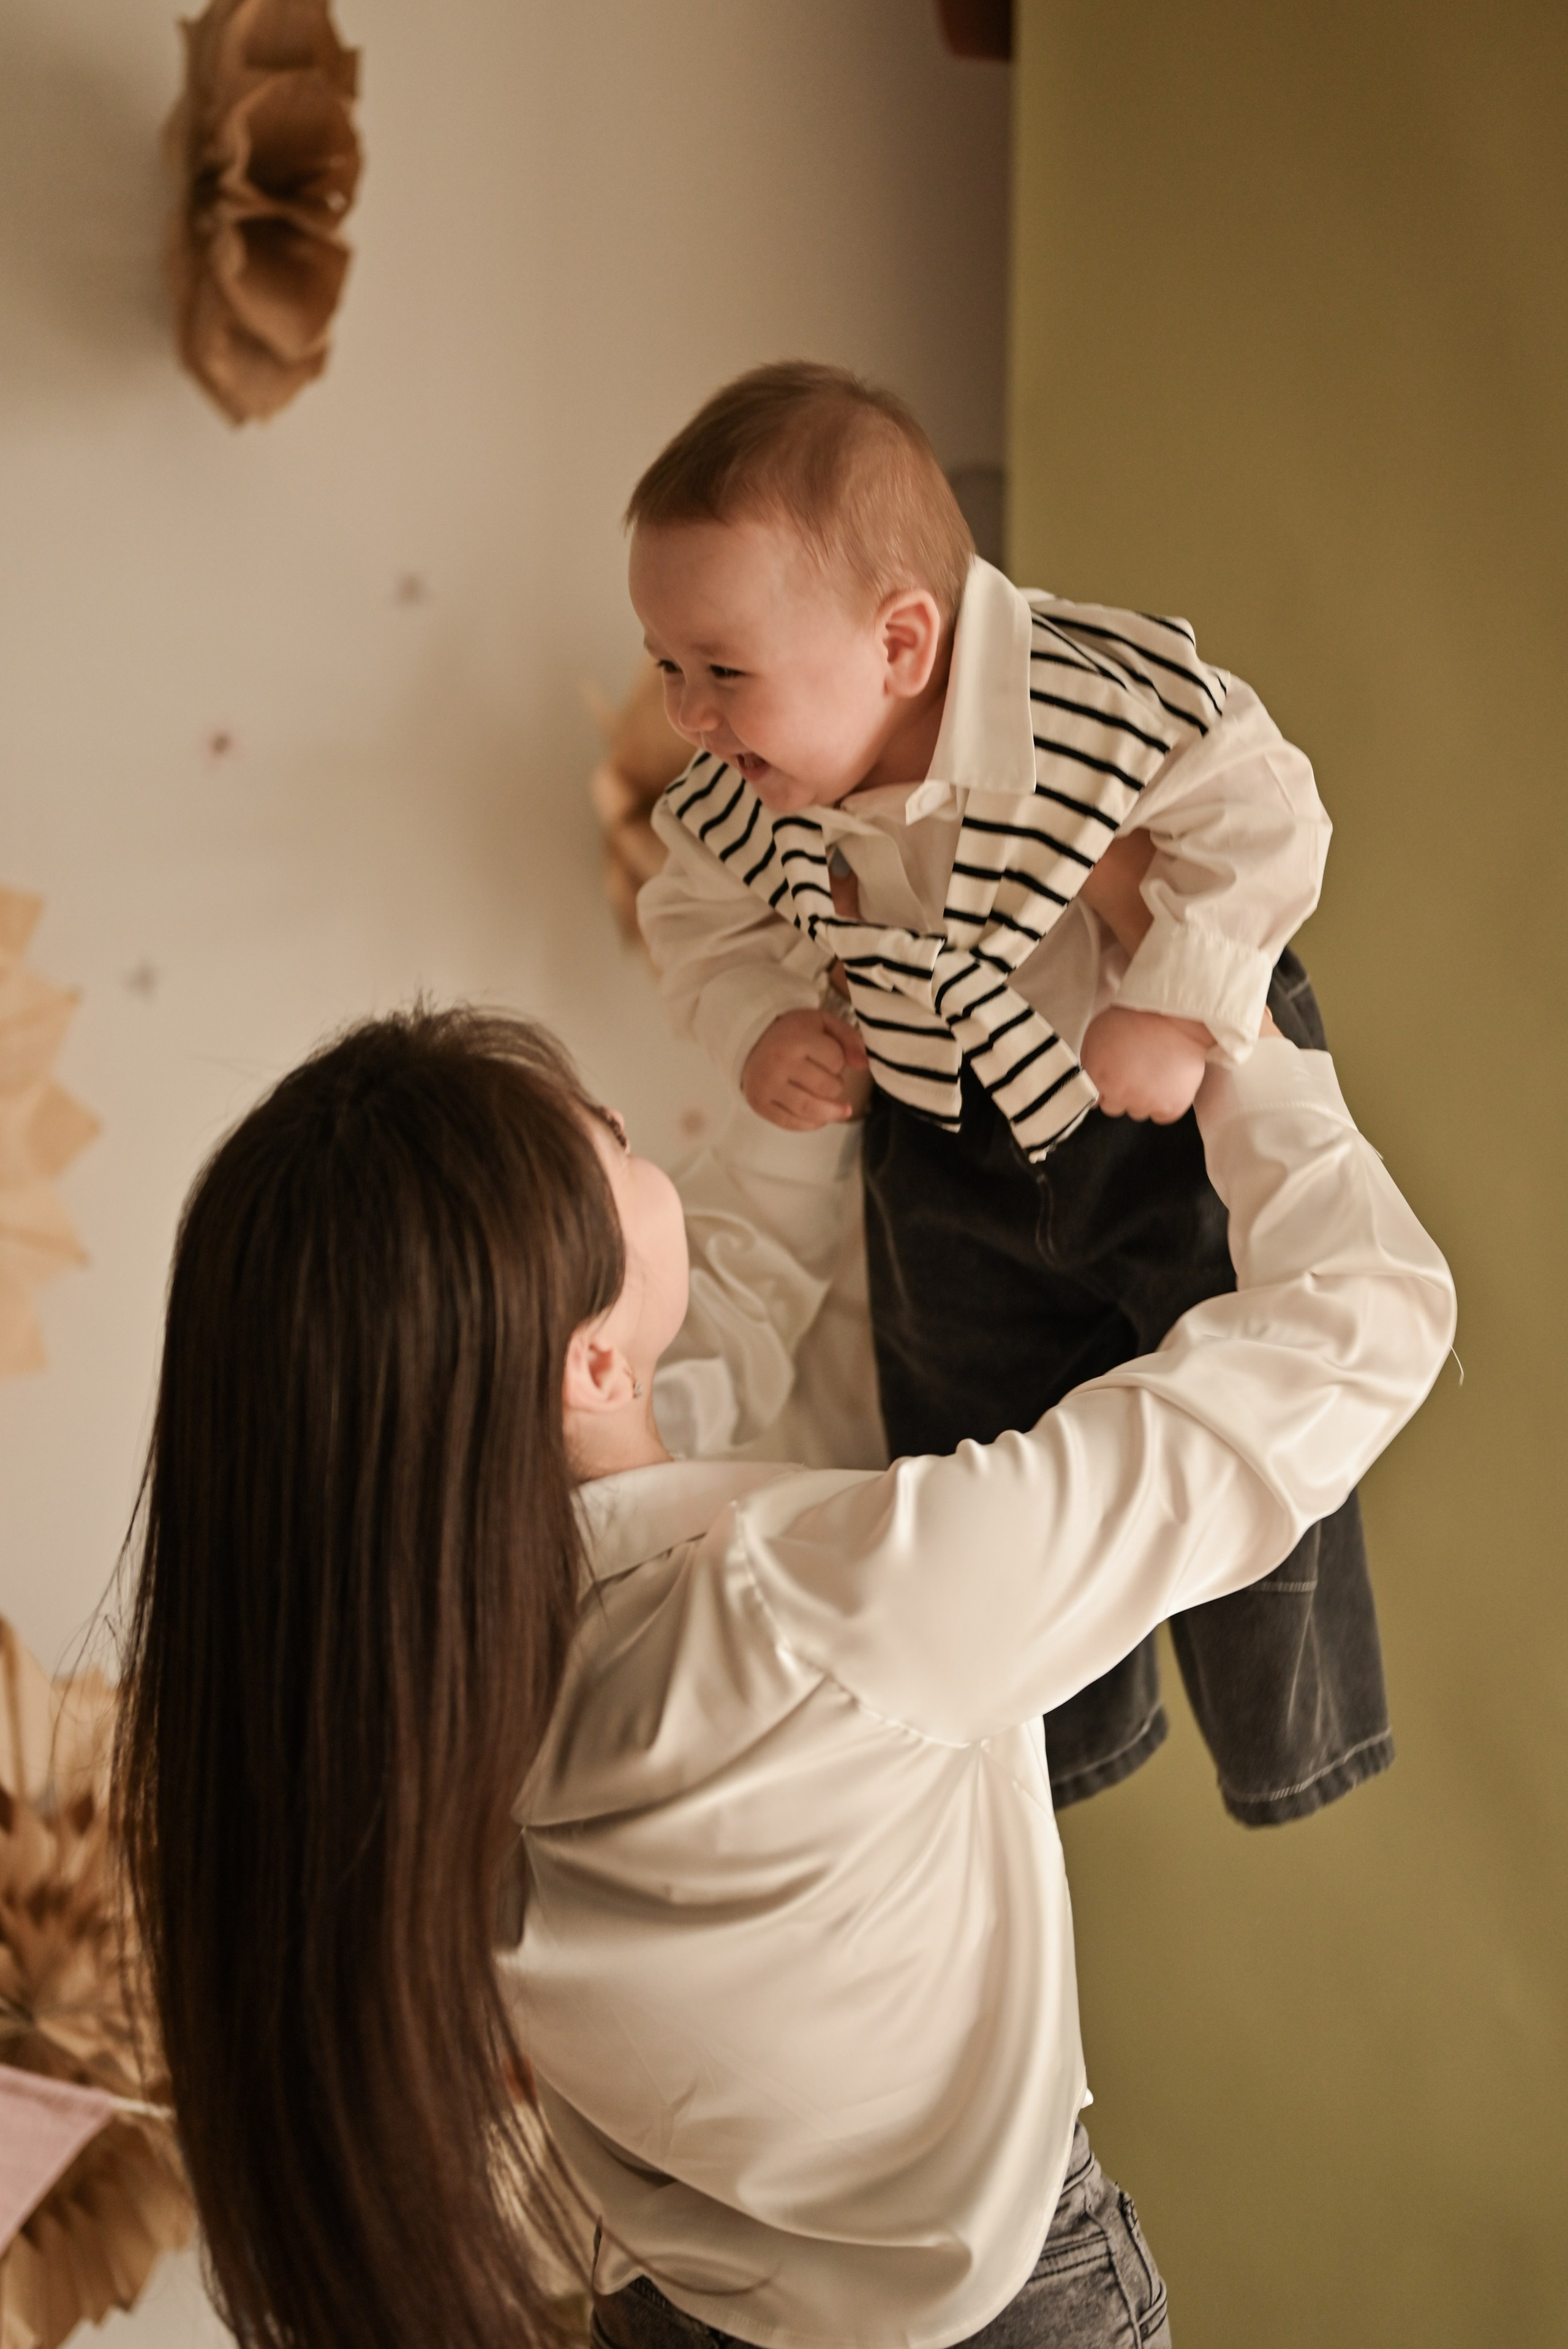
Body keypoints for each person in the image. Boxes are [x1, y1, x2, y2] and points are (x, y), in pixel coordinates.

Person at [115, 1003, 1453, 2349]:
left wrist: (791, 1117)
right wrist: (1227, 1022)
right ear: (584, 1358)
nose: (641, 1138)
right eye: (613, 1142)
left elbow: (673, 1380)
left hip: (683, 2310)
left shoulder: (414, 1691)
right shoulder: (820, 1606)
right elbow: (1355, 1332)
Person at [631, 360, 1386, 1825]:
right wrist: (757, 1020)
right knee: (970, 1416)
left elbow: (1263, 807)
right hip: (941, 1128)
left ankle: (1288, 1727)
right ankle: (1059, 1741)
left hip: (1145, 1101)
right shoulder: (743, 788)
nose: (686, 712)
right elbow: (694, 917)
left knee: (1229, 1389)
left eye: (720, 669)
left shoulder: (1078, 698)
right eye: (663, 664)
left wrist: (1176, 997)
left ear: (902, 640)